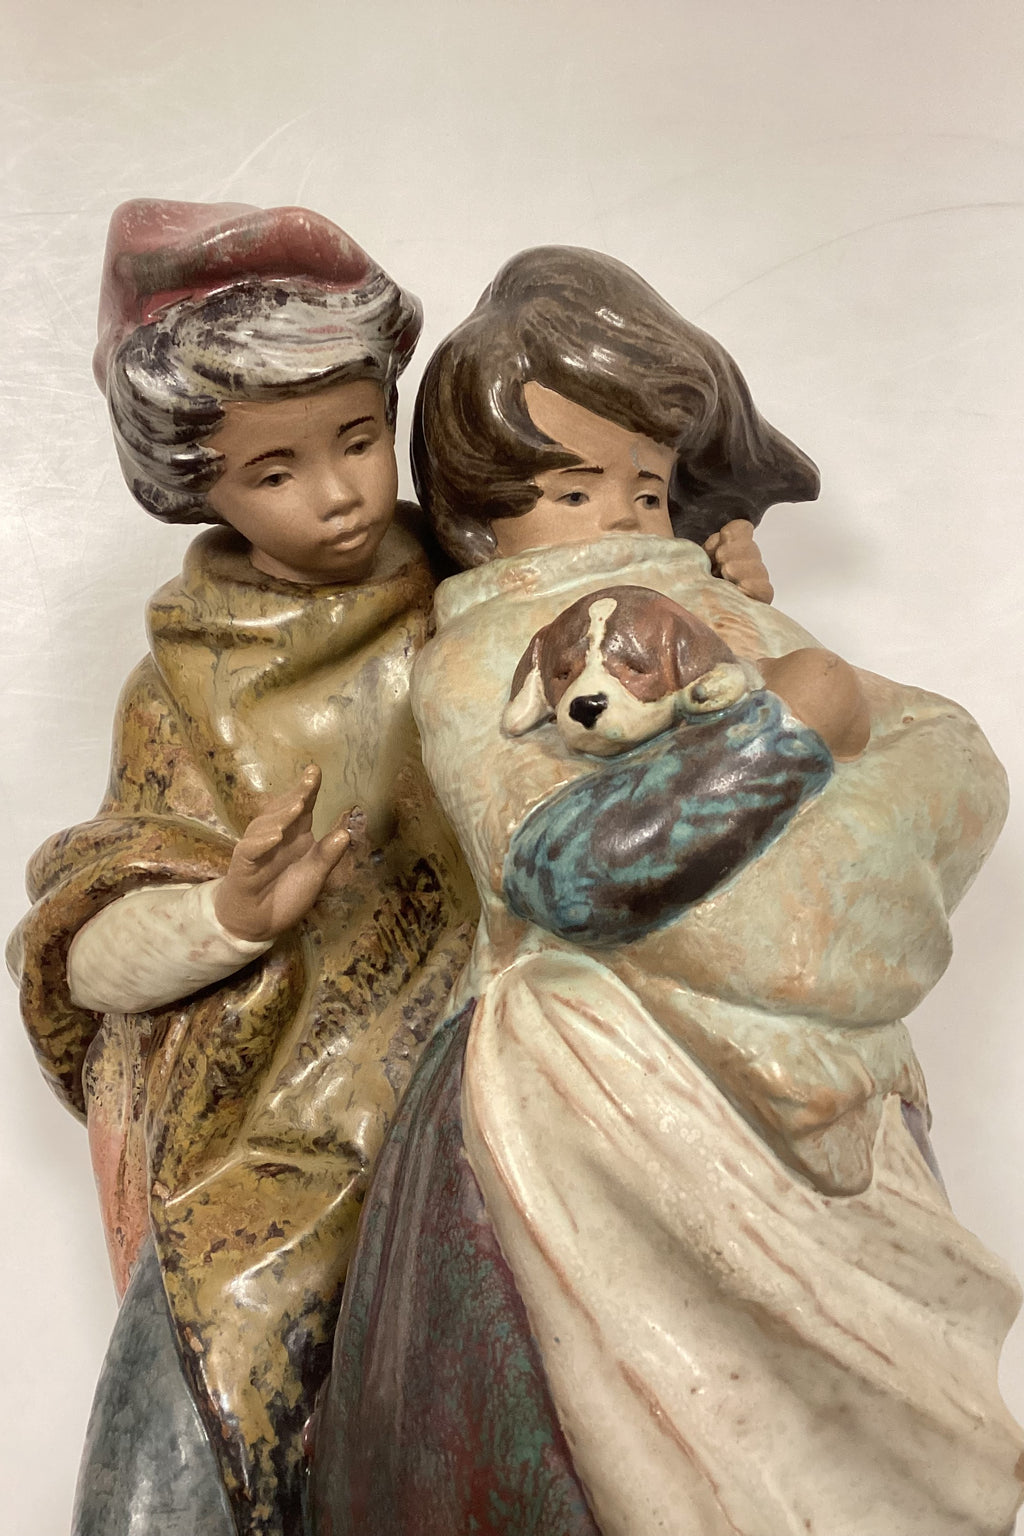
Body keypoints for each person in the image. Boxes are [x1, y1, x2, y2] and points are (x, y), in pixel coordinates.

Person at [310, 247, 1024, 1536]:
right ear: (479, 514)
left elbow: (950, 755)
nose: (622, 520)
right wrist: (784, 740)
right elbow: (559, 867)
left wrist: (813, 855)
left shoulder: (734, 616)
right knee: (621, 1434)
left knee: (858, 1450)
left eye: (647, 487)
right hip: (597, 1099)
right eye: (572, 489)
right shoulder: (479, 657)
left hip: (830, 1082)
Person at [7, 200, 476, 1536]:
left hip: (506, 1046)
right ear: (193, 484)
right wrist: (224, 913)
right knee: (169, 1455)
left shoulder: (482, 585)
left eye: (359, 438)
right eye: (275, 469)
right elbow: (82, 952)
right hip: (293, 1125)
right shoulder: (182, 688)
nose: (339, 493)